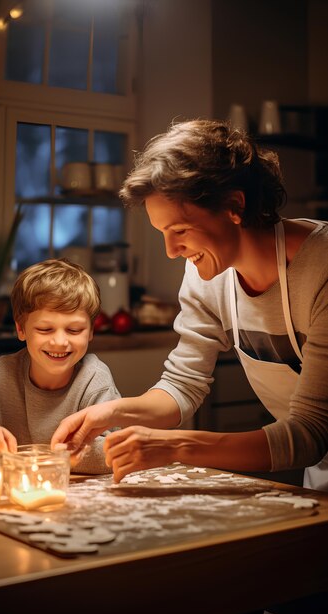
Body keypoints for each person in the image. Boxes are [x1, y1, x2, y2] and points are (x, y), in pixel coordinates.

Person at [51, 118, 328, 492]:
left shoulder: (322, 268)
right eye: (163, 233)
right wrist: (109, 413)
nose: (170, 251)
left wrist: (176, 446)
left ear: (234, 205)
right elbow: (183, 386)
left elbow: (311, 432)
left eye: (179, 230)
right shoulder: (206, 276)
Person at [0, 258, 120, 474]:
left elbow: (116, 449)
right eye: (45, 329)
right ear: (21, 329)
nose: (60, 341)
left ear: (90, 332)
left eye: (74, 330)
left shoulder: (95, 381)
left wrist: (61, 454)